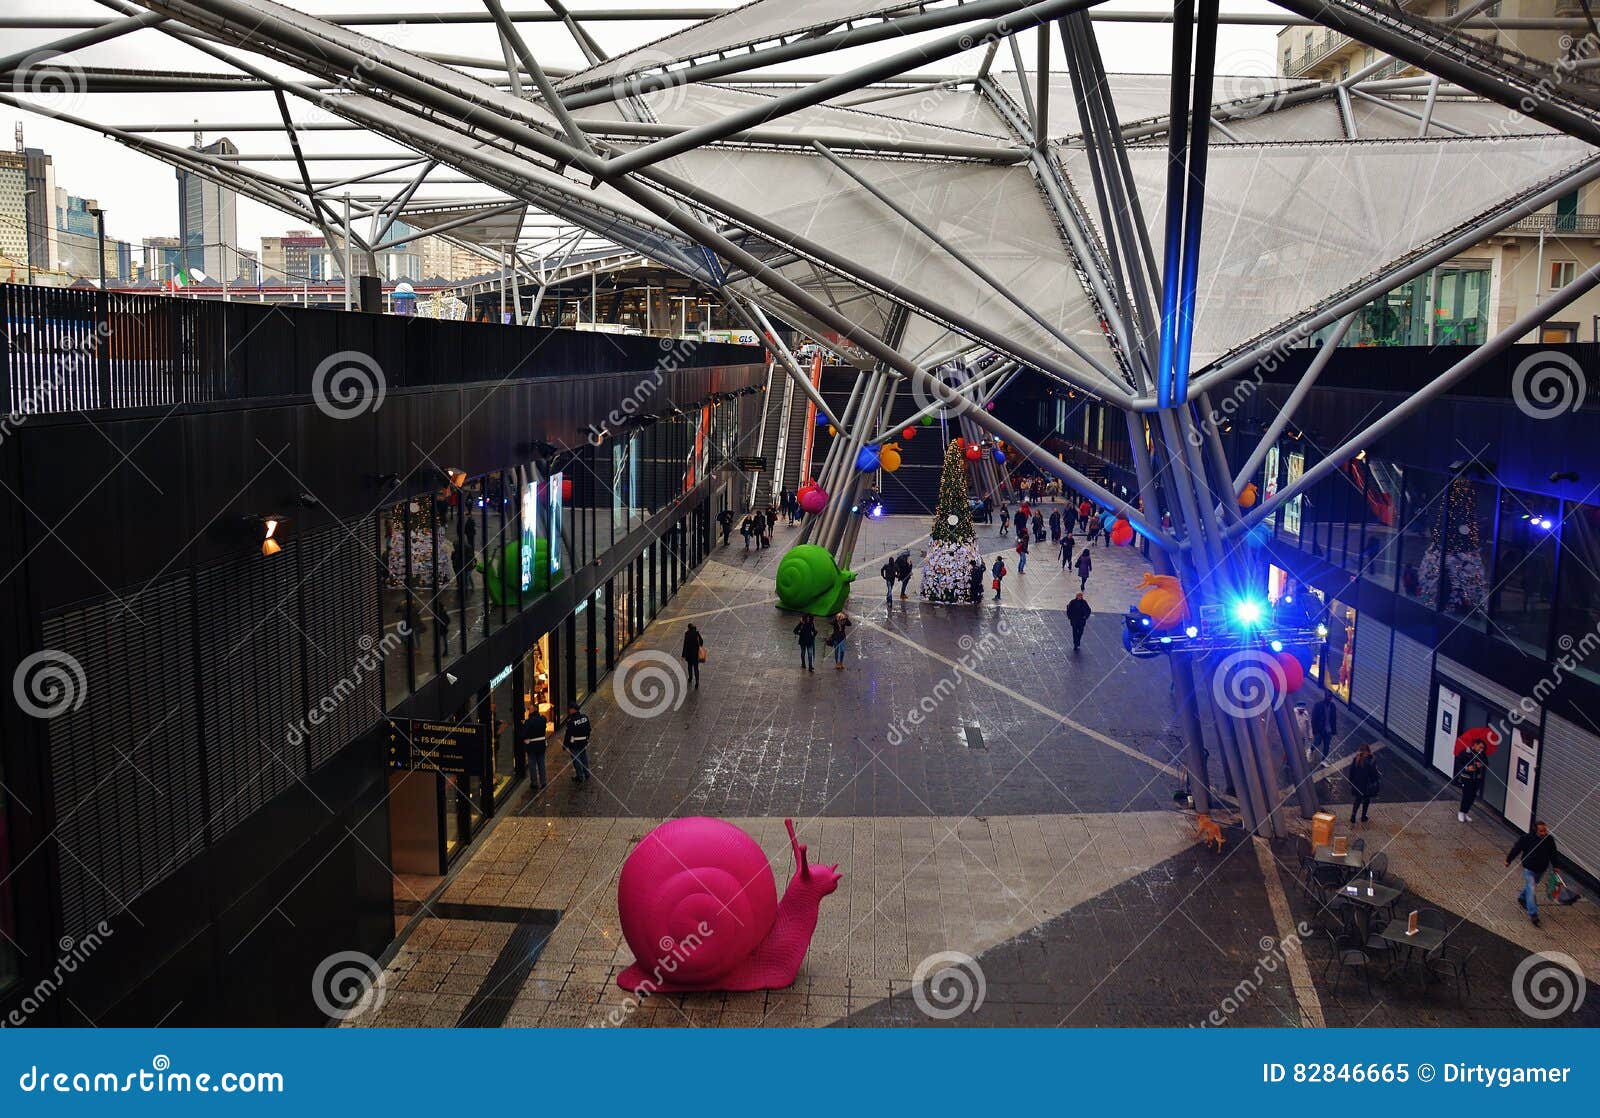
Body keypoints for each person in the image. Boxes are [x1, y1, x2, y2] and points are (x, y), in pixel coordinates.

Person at [1506, 820, 1558, 926]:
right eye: (1541, 831)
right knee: (1532, 888)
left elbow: (1553, 853)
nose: (1544, 833)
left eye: (1545, 831)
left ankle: (1521, 897)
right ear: (1535, 831)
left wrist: (1556, 866)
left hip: (1541, 869)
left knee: (1532, 886)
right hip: (1529, 868)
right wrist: (1509, 860)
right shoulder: (1526, 838)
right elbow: (1516, 848)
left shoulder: (1549, 840)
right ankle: (1533, 914)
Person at [1454, 738, 1488, 822]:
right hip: (1466, 778)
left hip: (1476, 778)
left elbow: (1486, 762)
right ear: (1475, 745)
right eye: (1480, 747)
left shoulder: (1482, 754)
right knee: (1466, 795)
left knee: (1472, 796)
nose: (1481, 749)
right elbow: (1458, 763)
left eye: (1482, 748)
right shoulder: (1465, 752)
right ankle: (1461, 812)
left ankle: (1466, 812)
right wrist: (1466, 768)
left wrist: (1481, 764)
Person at [516, 706, 548, 790]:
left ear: (533, 710)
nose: (528, 711)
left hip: (532, 745)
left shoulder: (528, 721)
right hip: (541, 744)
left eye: (529, 709)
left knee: (532, 764)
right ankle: (543, 781)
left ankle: (534, 783)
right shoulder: (543, 719)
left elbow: (523, 734)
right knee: (541, 763)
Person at [1348, 745, 1380, 824]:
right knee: (1366, 800)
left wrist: (1350, 781)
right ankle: (1363, 816)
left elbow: (1351, 771)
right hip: (1367, 785)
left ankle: (1353, 816)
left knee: (1357, 800)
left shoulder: (1356, 759)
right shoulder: (1371, 760)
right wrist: (1376, 780)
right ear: (1368, 751)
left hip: (1357, 783)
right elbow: (1373, 774)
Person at [563, 702, 592, 783]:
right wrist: (586, 739)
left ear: (573, 710)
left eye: (569, 709)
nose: (569, 711)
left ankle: (580, 776)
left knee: (576, 760)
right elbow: (589, 729)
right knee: (584, 757)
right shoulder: (585, 717)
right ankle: (586, 773)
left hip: (574, 743)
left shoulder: (571, 721)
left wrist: (565, 745)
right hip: (583, 742)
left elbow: (568, 734)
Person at [1311, 693, 1338, 762]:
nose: (1329, 698)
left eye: (1330, 697)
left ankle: (1324, 760)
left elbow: (1334, 719)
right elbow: (1314, 718)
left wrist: (1334, 730)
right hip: (1320, 730)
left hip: (1328, 731)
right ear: (1325, 696)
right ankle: (1311, 749)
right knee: (1317, 742)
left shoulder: (1333, 706)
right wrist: (1314, 730)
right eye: (1328, 696)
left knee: (1326, 746)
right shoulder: (1318, 705)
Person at [682, 622, 704, 689]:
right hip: (695, 654)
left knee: (689, 666)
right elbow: (701, 642)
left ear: (688, 628)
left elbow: (685, 645)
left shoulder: (687, 634)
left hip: (689, 654)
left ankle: (690, 677)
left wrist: (683, 654)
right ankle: (697, 682)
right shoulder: (697, 633)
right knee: (696, 668)